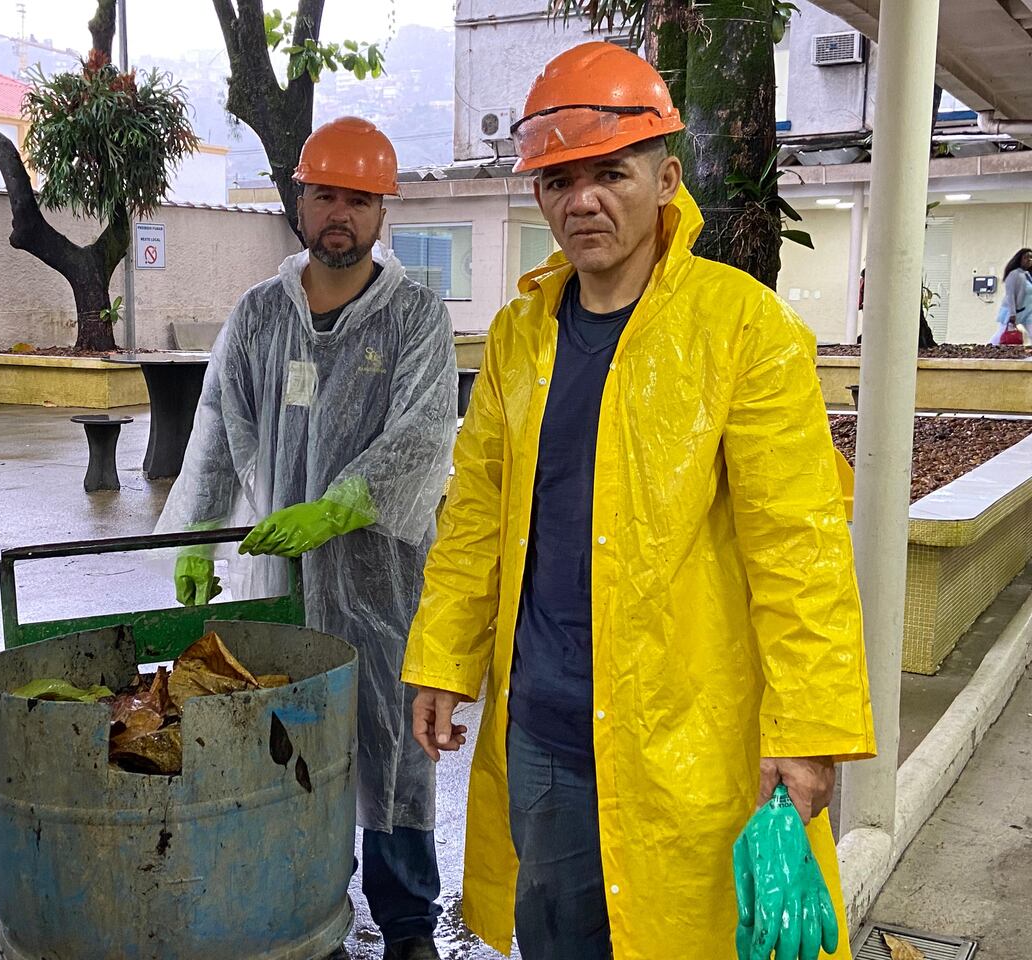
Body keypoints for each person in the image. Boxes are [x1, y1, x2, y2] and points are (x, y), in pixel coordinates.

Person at [401, 42, 876, 960]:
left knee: (688, 938)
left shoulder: (742, 330)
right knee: (558, 937)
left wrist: (808, 729)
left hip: (686, 735)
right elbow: (475, 518)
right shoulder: (519, 337)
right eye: (558, 180)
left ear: (665, 180)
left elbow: (799, 548)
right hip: (545, 731)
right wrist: (443, 659)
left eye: (610, 173)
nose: (582, 201)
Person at [154, 116, 457, 960]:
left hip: (382, 583)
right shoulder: (258, 315)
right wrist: (197, 538)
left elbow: (422, 436)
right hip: (279, 582)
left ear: (383, 211)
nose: (341, 214)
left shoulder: (415, 317)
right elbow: (216, 431)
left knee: (391, 745)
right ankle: (308, 911)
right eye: (326, 195)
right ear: (300, 200)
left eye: (360, 199)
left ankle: (407, 925)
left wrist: (338, 507)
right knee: (288, 744)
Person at [989, 247, 1032, 345]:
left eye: (1031, 258)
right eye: (1026, 257)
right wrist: (1012, 313)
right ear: (1019, 259)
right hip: (1012, 311)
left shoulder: (1028, 275)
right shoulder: (1014, 274)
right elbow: (1010, 294)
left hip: (1027, 311)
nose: (1029, 260)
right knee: (1001, 333)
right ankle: (988, 349)